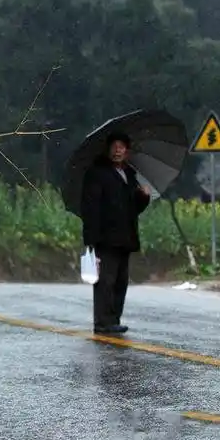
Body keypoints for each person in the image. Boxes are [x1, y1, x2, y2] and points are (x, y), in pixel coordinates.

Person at [80, 132, 151, 334]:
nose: (118, 150)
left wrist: (144, 197)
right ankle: (102, 322)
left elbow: (133, 209)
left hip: (125, 238)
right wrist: (91, 240)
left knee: (120, 282)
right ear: (108, 149)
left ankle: (114, 319)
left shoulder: (129, 175)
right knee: (105, 282)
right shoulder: (97, 174)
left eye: (122, 147)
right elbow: (90, 208)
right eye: (114, 146)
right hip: (105, 238)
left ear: (127, 151)